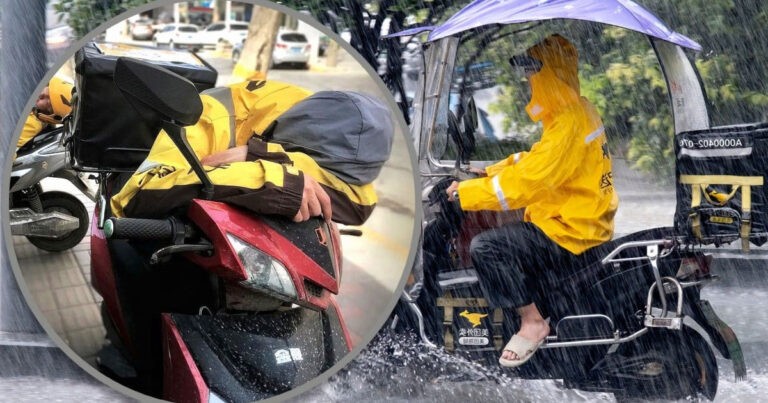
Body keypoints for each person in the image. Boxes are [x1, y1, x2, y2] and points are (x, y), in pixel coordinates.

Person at [445, 34, 618, 367]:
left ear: (549, 77)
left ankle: (533, 322)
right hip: (580, 220)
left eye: (533, 76)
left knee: (488, 248)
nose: (529, 83)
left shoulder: (569, 123)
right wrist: (488, 171)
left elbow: (532, 181)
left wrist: (467, 194)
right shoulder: (575, 111)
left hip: (569, 230)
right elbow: (537, 159)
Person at [112, 78, 393, 227]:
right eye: (296, 162)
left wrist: (257, 155)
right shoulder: (209, 117)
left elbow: (360, 204)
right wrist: (273, 178)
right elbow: (135, 197)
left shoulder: (316, 116)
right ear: (277, 139)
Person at [17, 76, 73, 150]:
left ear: (49, 116)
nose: (40, 96)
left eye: (48, 104)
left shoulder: (31, 125)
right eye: (48, 91)